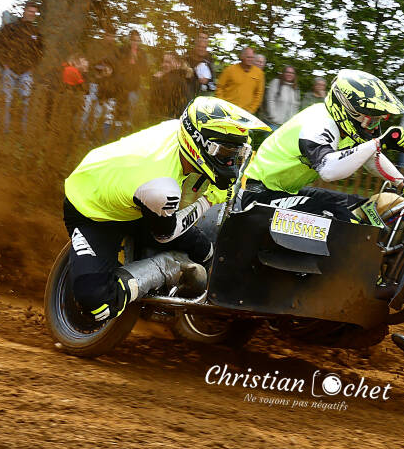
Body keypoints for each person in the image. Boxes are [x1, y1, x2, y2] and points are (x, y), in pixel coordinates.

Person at [63, 96, 269, 324]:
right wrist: (207, 201)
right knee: (97, 304)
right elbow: (165, 234)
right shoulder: (161, 185)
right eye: (224, 154)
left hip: (142, 203)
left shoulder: (183, 132)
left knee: (206, 252)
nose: (232, 162)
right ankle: (168, 266)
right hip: (94, 213)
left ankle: (189, 265)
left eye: (236, 154)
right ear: (198, 143)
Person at [241, 69, 404, 221]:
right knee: (338, 216)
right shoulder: (318, 121)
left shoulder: (342, 125)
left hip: (285, 192)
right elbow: (328, 170)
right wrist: (380, 143)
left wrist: (403, 183)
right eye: (372, 120)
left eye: (379, 120)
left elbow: (371, 157)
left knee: (358, 204)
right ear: (347, 110)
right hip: (258, 195)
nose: (374, 127)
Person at [0, 1, 43, 134]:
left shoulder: (36, 32)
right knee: (6, 99)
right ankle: (4, 130)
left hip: (26, 72)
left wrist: (33, 67)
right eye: (30, 11)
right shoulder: (11, 28)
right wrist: (4, 63)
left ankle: (24, 131)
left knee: (26, 101)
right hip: (9, 69)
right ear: (24, 11)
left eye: (34, 12)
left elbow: (40, 52)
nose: (32, 14)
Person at [115, 29, 149, 131]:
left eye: (137, 40)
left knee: (130, 111)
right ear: (129, 40)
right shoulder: (122, 50)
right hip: (120, 86)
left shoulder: (142, 53)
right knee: (118, 110)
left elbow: (145, 71)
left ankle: (127, 130)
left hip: (134, 87)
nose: (135, 43)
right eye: (133, 40)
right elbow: (117, 66)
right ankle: (116, 130)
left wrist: (137, 59)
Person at [215, 46, 265, 114]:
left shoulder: (259, 73)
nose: (250, 59)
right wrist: (222, 105)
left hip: (246, 113)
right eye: (248, 57)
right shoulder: (230, 70)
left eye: (252, 57)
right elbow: (219, 87)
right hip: (227, 110)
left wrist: (251, 109)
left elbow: (259, 94)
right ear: (242, 57)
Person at [149, 52, 195, 121]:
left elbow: (160, 100)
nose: (164, 65)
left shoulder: (175, 79)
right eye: (163, 62)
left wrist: (156, 81)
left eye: (168, 62)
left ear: (178, 64)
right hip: (179, 118)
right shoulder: (183, 76)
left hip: (170, 119)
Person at [264, 65, 300, 129]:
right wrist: (273, 117)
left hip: (287, 126)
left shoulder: (295, 88)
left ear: (294, 75)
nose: (289, 74)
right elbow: (270, 100)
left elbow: (296, 106)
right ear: (283, 73)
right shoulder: (276, 83)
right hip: (273, 124)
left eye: (292, 73)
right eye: (287, 72)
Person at [187, 32, 216, 97]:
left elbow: (212, 81)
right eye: (199, 46)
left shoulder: (209, 60)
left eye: (204, 47)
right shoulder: (186, 59)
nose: (201, 49)